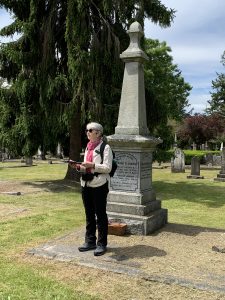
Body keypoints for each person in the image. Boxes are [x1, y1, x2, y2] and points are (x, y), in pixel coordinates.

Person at [69, 122, 113, 256]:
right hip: (86, 183)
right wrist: (78, 167)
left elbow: (107, 167)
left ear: (98, 133)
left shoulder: (105, 148)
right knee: (89, 214)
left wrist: (93, 165)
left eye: (90, 130)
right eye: (87, 130)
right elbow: (86, 167)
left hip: (99, 184)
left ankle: (101, 244)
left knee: (100, 214)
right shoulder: (88, 147)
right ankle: (90, 241)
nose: (87, 132)